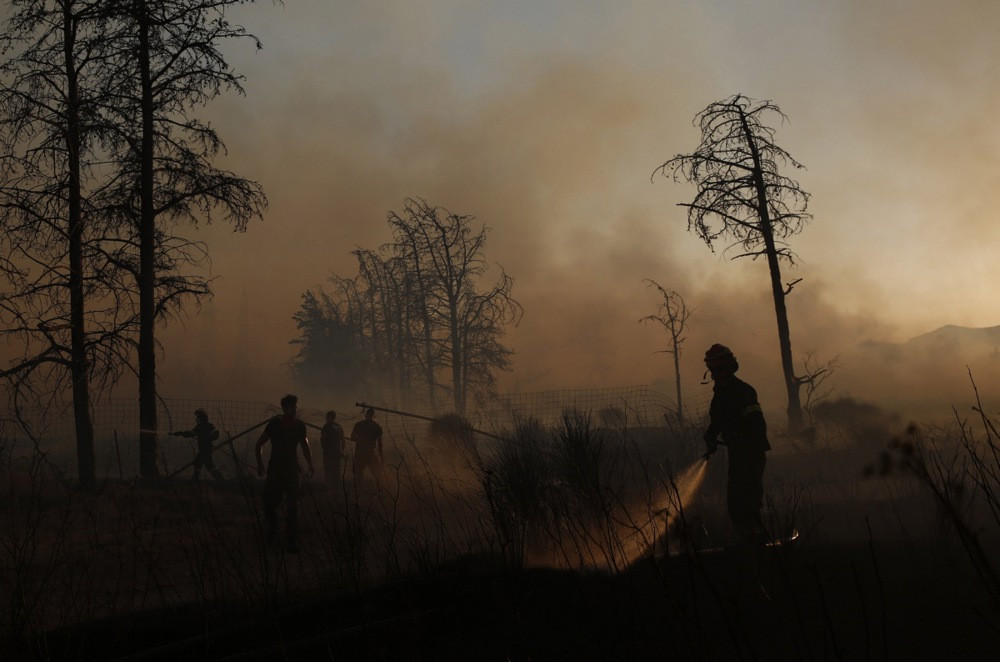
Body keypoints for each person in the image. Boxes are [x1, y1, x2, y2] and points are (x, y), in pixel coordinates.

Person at [702, 344, 771, 547]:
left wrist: (741, 439)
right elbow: (718, 420)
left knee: (748, 502)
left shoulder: (743, 391)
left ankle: (759, 546)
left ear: (728, 368)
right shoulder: (721, 394)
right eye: (712, 369)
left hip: (751, 453)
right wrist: (711, 436)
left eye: (717, 369)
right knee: (735, 503)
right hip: (738, 453)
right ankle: (749, 543)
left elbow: (756, 422)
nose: (714, 374)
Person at [255, 394, 314, 552]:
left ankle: (291, 540)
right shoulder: (274, 424)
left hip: (292, 469)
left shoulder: (299, 426)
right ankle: (273, 528)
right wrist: (260, 464)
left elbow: (305, 446)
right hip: (275, 469)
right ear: (285, 408)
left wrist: (310, 464)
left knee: (292, 504)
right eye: (292, 407)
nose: (295, 409)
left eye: (296, 406)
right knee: (269, 502)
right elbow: (259, 443)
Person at [170, 408, 224, 481]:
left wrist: (207, 438)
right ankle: (219, 479)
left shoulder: (207, 426)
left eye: (198, 417)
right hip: (204, 448)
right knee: (202, 463)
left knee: (204, 463)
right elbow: (191, 433)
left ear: (202, 418)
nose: (197, 419)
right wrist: (179, 433)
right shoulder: (201, 427)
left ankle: (219, 479)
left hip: (206, 449)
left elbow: (216, 434)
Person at [350, 407, 384, 483]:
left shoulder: (358, 424)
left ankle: (357, 489)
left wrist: (361, 440)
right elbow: (380, 445)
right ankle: (381, 489)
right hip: (370, 453)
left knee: (358, 475)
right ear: (374, 416)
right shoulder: (378, 427)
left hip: (360, 453)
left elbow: (352, 438)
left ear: (366, 415)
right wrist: (382, 458)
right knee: (377, 475)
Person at [320, 410, 346, 491]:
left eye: (327, 417)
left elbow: (322, 439)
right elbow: (343, 440)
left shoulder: (326, 426)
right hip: (337, 453)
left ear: (329, 417)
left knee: (328, 471)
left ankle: (328, 489)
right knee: (336, 471)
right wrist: (342, 450)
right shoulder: (339, 427)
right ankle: (337, 489)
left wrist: (324, 447)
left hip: (329, 453)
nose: (326, 419)